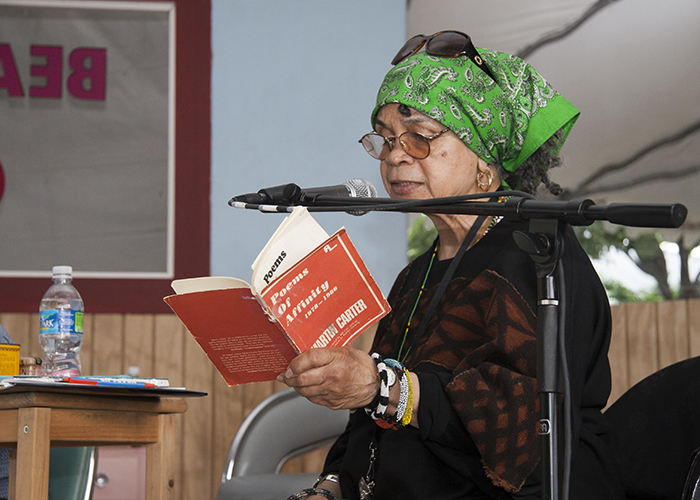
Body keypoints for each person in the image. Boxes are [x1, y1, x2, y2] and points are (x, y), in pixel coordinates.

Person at [278, 31, 623, 500]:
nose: (395, 154)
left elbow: (519, 421)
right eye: (384, 139)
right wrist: (332, 486)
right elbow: (371, 425)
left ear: (484, 155)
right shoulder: (412, 277)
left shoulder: (539, 254)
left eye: (419, 136)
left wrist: (383, 387)